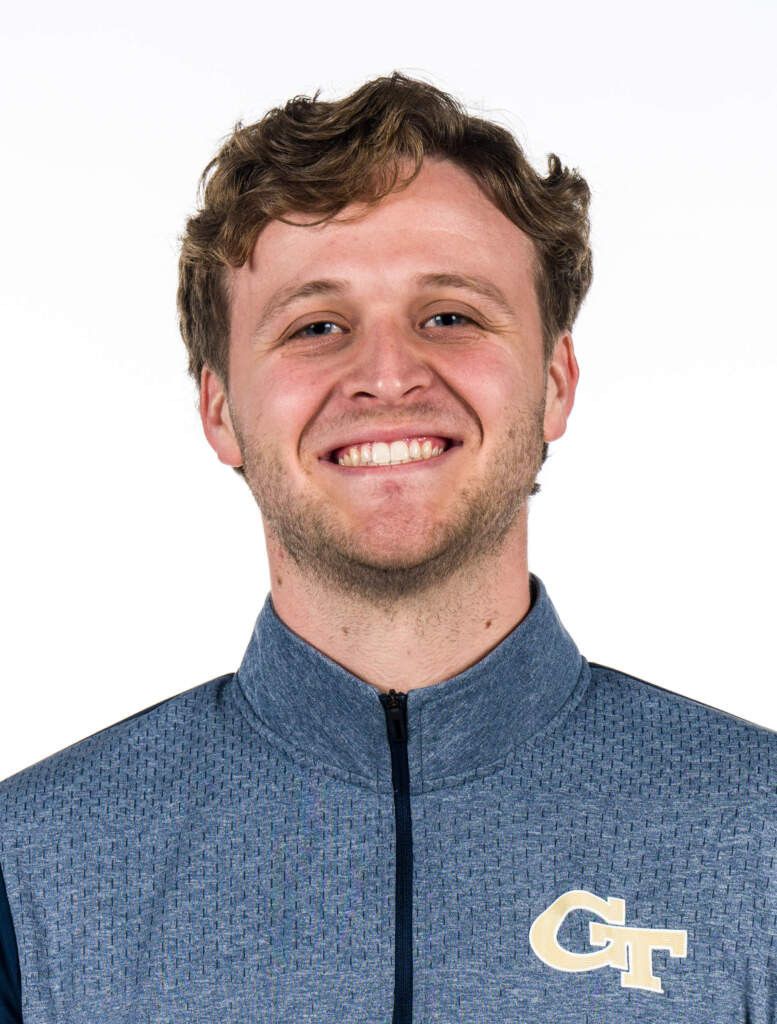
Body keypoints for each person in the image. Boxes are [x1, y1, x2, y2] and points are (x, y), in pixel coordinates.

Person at [1, 72, 775, 1024]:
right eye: (316, 325)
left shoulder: (759, 835)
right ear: (220, 411)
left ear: (555, 382)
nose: (387, 374)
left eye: (449, 315)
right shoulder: (30, 866)